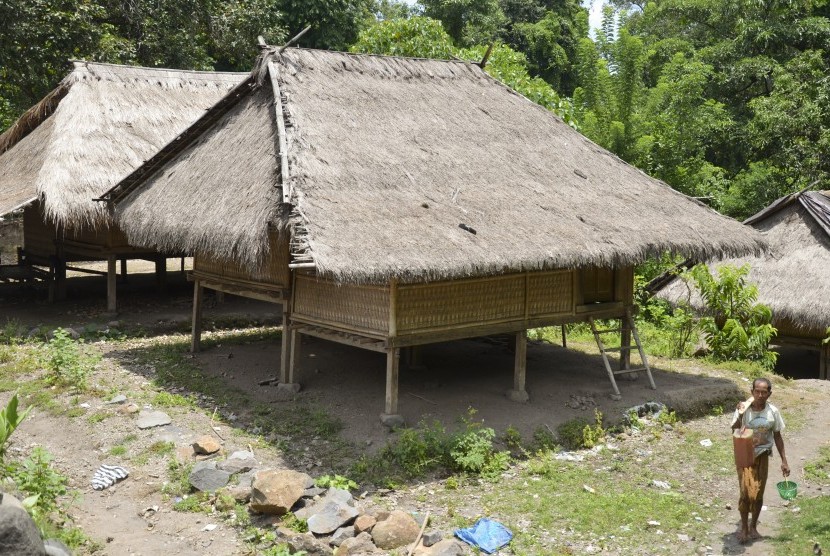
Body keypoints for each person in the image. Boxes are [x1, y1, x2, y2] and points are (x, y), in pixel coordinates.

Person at [731, 377, 790, 543]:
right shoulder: (744, 409)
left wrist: (784, 460)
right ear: (752, 392)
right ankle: (744, 527)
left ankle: (753, 527)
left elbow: (777, 436)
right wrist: (740, 415)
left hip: (763, 455)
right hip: (744, 455)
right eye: (757, 391)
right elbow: (735, 429)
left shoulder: (773, 412)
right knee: (745, 491)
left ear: (769, 394)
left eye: (764, 392)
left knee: (758, 492)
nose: (760, 395)